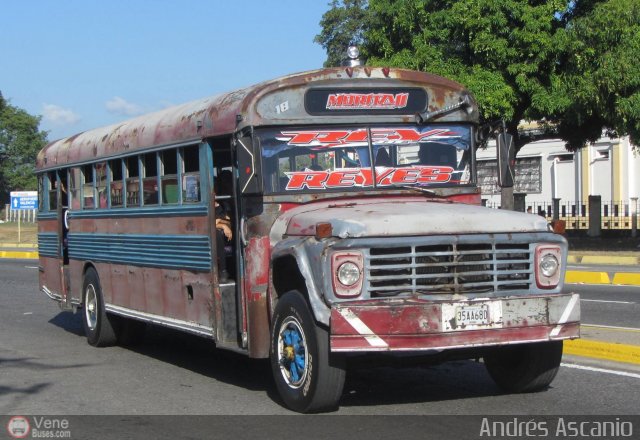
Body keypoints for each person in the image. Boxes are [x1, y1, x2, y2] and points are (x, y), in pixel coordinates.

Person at [215, 170, 234, 282]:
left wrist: (221, 223)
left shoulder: (223, 203)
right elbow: (205, 222)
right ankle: (223, 270)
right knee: (218, 232)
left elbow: (229, 220)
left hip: (225, 234)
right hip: (215, 234)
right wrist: (222, 226)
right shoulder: (207, 204)